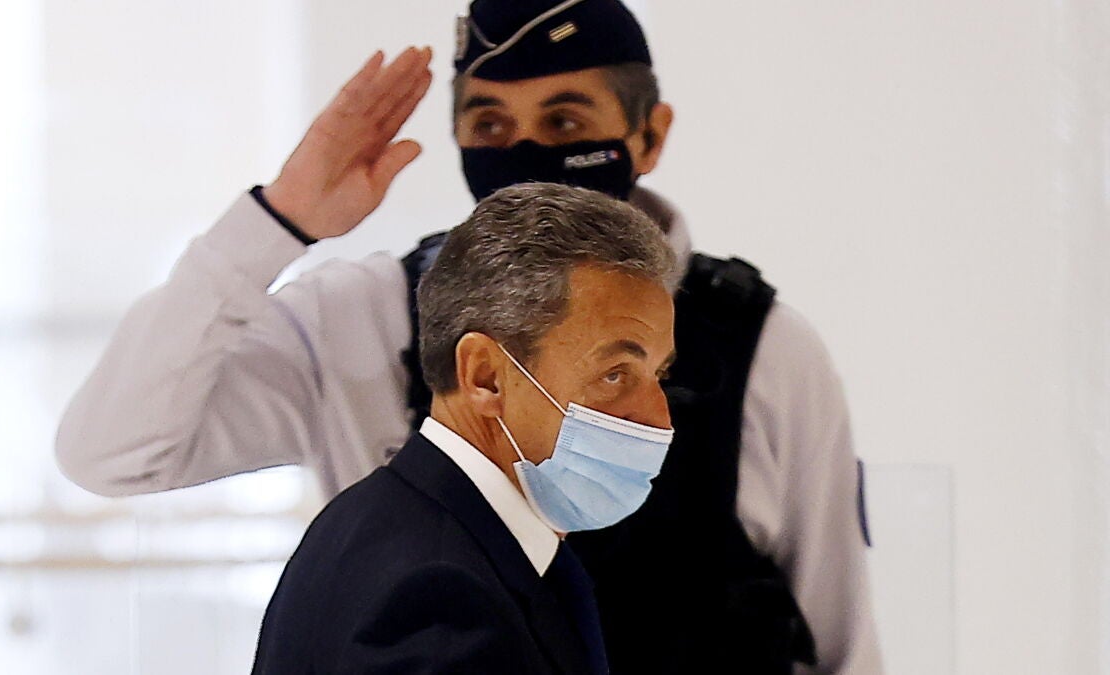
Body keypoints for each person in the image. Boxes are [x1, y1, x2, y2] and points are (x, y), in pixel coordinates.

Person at [57, 1, 883, 672]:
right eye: (490, 124)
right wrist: (278, 221)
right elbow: (113, 453)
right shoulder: (364, 316)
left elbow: (840, 637)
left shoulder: (765, 347)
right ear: (477, 369)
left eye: (565, 119)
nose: (525, 152)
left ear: (649, 135)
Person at [251, 182, 676, 674]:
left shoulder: (379, 521)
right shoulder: (439, 603)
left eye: (660, 375)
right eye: (615, 374)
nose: (660, 418)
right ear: (485, 376)